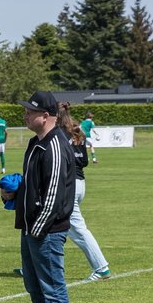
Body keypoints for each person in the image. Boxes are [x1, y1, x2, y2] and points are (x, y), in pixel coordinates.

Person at [11, 91, 75, 303]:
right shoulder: (35, 143)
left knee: (52, 286)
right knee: (34, 286)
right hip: (31, 228)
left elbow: (54, 194)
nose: (25, 114)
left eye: (30, 111)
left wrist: (38, 227)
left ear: (46, 116)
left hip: (46, 230)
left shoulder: (55, 145)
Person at [58, 103, 111, 281]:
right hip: (80, 183)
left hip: (68, 185)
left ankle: (101, 267)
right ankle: (37, 266)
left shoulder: (59, 133)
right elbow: (85, 161)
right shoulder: (77, 130)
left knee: (78, 229)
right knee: (55, 226)